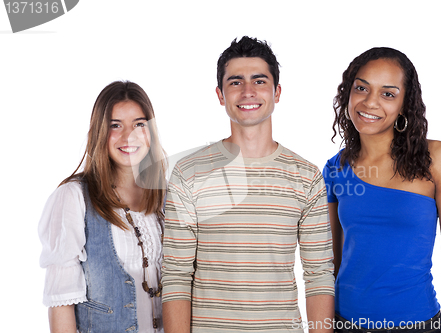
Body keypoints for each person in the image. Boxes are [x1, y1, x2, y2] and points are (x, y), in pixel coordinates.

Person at [161, 36, 335, 333]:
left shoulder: (306, 176)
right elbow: (176, 275)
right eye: (235, 82)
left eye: (259, 81)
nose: (248, 92)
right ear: (220, 94)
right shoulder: (188, 173)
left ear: (276, 92)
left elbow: (319, 274)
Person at [323, 47, 441, 332]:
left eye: (387, 94)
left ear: (405, 104)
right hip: (345, 324)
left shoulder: (438, 159)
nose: (370, 102)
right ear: (347, 93)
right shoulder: (334, 169)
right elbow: (331, 264)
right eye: (361, 88)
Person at [39, 81, 167, 333]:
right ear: (100, 132)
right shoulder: (74, 198)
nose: (128, 135)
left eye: (139, 124)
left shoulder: (166, 198)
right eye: (115, 125)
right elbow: (61, 305)